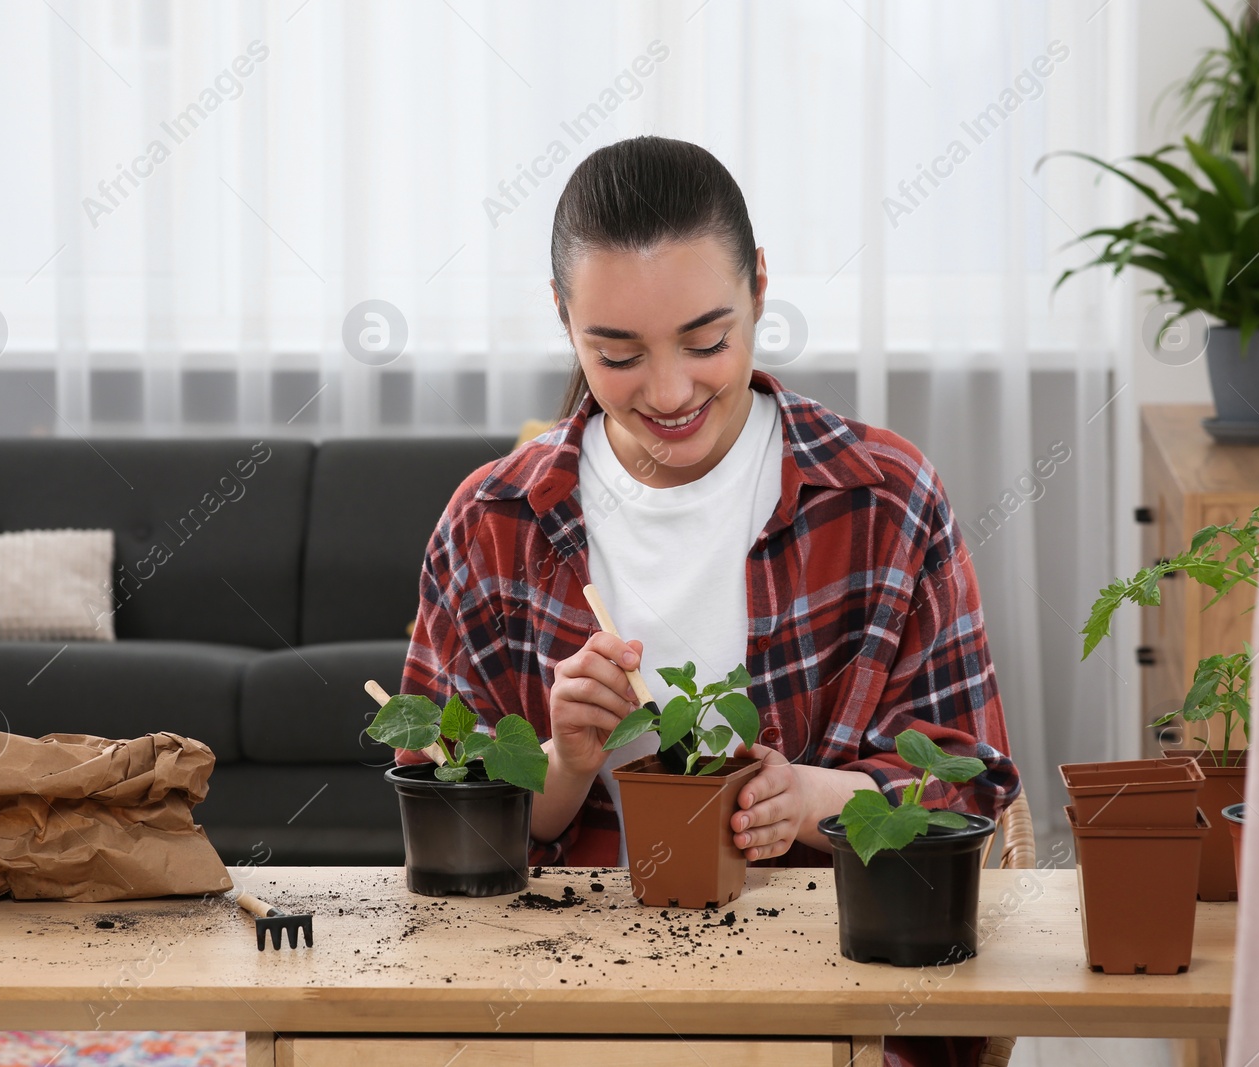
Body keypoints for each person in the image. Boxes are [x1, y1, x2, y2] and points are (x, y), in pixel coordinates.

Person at [400, 135, 1019, 1067]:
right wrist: (561, 769)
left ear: (760, 287)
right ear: (564, 319)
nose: (670, 390)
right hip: (563, 1015)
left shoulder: (885, 499)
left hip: (830, 1010)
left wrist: (810, 799)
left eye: (706, 341)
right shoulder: (495, 522)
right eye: (617, 354)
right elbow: (438, 837)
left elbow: (969, 789)